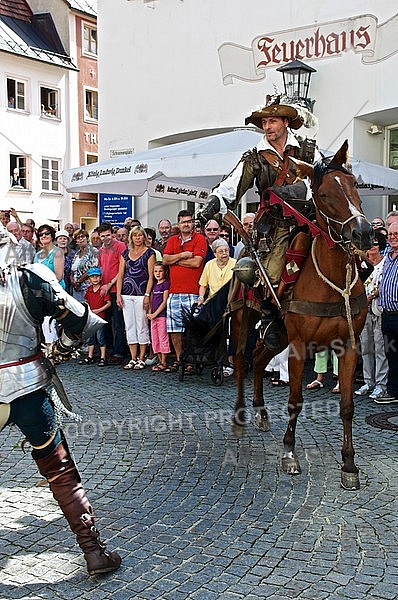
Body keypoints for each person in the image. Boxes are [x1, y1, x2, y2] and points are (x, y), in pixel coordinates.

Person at [0, 223, 121, 575]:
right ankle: (94, 552)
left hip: (27, 384)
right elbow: (83, 321)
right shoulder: (31, 277)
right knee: (62, 471)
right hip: (27, 386)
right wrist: (63, 348)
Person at [162, 210, 207, 373]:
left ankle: (192, 361)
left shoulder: (200, 239)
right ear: (178, 224)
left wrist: (175, 260)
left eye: (189, 221)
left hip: (193, 292)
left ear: (192, 223)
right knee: (174, 328)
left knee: (192, 330)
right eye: (183, 222)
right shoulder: (173, 240)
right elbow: (165, 260)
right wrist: (182, 255)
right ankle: (181, 360)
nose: (186, 224)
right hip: (174, 292)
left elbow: (196, 263)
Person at [355, 231, 388, 400]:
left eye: (375, 244)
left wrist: (372, 295)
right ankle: (369, 381)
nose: (372, 248)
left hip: (379, 310)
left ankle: (381, 384)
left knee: (380, 348)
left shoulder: (386, 263)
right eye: (369, 244)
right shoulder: (361, 264)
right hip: (364, 312)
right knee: (366, 348)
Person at [116, 226, 155, 370]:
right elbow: (121, 275)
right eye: (135, 236)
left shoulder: (149, 253)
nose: (137, 238)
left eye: (140, 235)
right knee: (129, 325)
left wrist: (147, 295)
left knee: (142, 325)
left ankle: (142, 357)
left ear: (143, 237)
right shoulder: (125, 253)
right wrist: (119, 294)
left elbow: (151, 276)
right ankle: (132, 357)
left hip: (141, 293)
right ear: (131, 238)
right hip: (127, 293)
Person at [197, 238, 236, 376]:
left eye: (226, 250)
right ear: (214, 253)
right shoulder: (209, 265)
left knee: (230, 332)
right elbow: (203, 285)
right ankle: (211, 358)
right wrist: (201, 297)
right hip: (213, 304)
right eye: (221, 251)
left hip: (231, 304)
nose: (225, 253)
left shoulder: (235, 264)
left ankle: (229, 361)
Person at [374, 221, 398, 404]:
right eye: (390, 234)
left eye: (396, 234)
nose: (392, 237)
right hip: (387, 315)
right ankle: (393, 391)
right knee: (391, 355)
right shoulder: (386, 257)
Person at [98, 222, 127, 363]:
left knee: (118, 322)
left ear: (113, 234)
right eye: (102, 236)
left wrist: (110, 284)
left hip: (116, 289)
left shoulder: (120, 246)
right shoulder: (101, 250)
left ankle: (119, 351)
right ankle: (108, 349)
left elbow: (122, 270)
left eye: (108, 235)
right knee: (105, 321)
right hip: (105, 290)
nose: (105, 238)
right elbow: (101, 269)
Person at [34, 225, 65, 346]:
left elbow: (58, 276)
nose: (43, 236)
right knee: (42, 324)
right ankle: (48, 350)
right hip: (40, 293)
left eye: (46, 233)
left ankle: (52, 353)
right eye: (41, 234)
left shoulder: (57, 252)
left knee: (49, 324)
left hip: (54, 292)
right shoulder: (37, 255)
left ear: (52, 235)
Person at [80, 267, 111, 366]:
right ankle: (90, 356)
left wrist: (99, 310)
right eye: (92, 277)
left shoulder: (102, 290)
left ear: (100, 278)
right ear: (89, 279)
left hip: (100, 318)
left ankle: (103, 357)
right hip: (91, 318)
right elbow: (87, 301)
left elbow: (108, 303)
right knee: (91, 338)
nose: (95, 279)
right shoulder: (89, 290)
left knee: (101, 337)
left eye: (97, 276)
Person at [146, 262, 171, 371]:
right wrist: (150, 312)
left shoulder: (165, 284)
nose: (158, 273)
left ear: (164, 272)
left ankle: (164, 361)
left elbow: (164, 302)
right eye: (156, 271)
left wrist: (155, 314)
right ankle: (160, 360)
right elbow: (152, 300)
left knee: (162, 338)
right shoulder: (154, 285)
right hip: (153, 317)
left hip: (161, 316)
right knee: (155, 339)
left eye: (160, 271)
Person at [70, 229, 99, 302]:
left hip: (87, 287)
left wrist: (79, 281)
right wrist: (72, 279)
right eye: (78, 237)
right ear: (76, 241)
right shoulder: (77, 253)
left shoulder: (93, 251)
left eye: (82, 237)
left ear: (87, 238)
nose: (80, 239)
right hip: (76, 288)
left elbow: (92, 268)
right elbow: (73, 269)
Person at [55, 229, 75, 295]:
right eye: (60, 238)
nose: (63, 240)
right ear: (56, 241)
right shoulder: (52, 253)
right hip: (57, 283)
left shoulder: (73, 253)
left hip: (70, 283)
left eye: (65, 238)